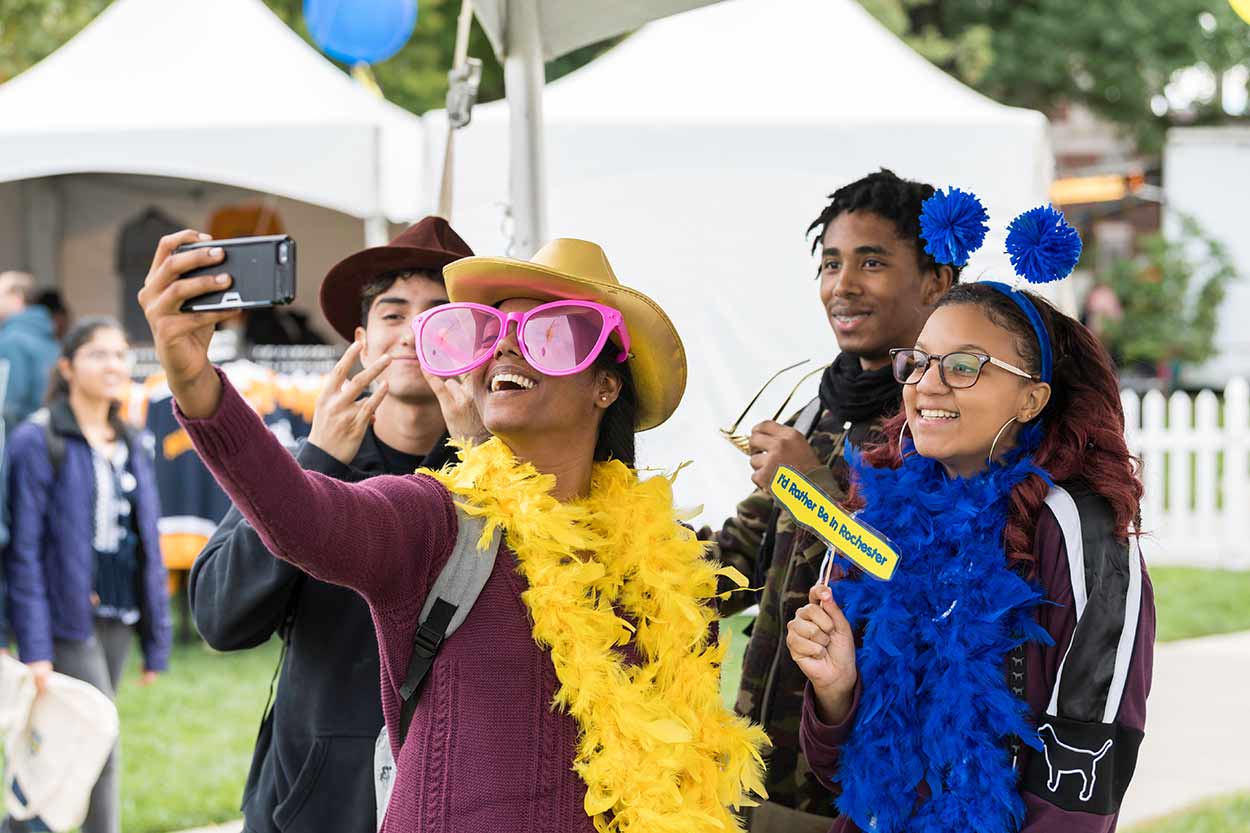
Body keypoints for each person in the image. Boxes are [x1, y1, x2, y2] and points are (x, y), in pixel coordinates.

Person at [140, 231, 767, 832]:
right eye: (496, 331)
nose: (508, 348)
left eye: (551, 335)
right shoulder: (437, 517)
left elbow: (685, 764)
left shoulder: (669, 564)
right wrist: (196, 383)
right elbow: (303, 517)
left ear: (605, 384)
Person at [788, 198, 1154, 833]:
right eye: (919, 361)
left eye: (963, 367)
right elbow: (843, 774)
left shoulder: (1078, 531)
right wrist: (837, 691)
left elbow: (1082, 785)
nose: (927, 383)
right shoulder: (878, 517)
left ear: (1031, 397)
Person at [187, 217, 479, 833]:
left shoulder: (501, 482)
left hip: (453, 797)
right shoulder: (305, 464)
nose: (411, 336)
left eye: (438, 318)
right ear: (362, 341)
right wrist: (319, 463)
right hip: (311, 807)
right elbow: (221, 617)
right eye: (393, 316)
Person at [708, 170, 957, 831]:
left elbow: (917, 583)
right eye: (830, 263)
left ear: (937, 279)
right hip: (760, 779)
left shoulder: (944, 420)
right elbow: (739, 560)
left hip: (861, 792)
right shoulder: (823, 408)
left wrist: (803, 482)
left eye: (871, 262)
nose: (841, 285)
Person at [3, 317, 172, 833]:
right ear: (67, 366)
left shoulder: (132, 439)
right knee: (102, 737)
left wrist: (156, 639)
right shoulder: (38, 439)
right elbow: (22, 550)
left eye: (120, 355)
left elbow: (148, 540)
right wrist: (33, 645)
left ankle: (18, 822)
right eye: (98, 354)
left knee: (65, 741)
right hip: (64, 617)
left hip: (120, 615)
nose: (113, 365)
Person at [0, 271, 60, 431]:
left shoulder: (11, 340)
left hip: (16, 441)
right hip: (47, 436)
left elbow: (7, 404)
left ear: (16, 296)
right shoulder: (49, 338)